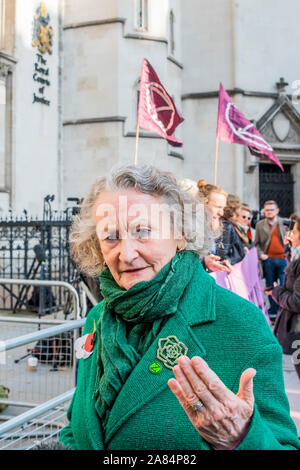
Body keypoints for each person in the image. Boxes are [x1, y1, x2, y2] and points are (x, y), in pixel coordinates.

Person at [59, 165, 300, 450]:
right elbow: (76, 428)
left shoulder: (240, 322)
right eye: (111, 236)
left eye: (143, 231)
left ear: (181, 234)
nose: (126, 253)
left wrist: (240, 438)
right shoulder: (98, 318)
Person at [266, 216, 300, 381]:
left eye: (293, 231)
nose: (289, 234)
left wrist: (276, 291)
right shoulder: (295, 255)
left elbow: (296, 301)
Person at [255, 200, 287, 321]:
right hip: (268, 260)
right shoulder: (260, 225)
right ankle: (273, 311)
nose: (269, 212)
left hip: (283, 259)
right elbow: (256, 244)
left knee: (284, 286)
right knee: (270, 285)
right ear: (264, 211)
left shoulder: (283, 222)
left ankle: (283, 310)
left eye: (272, 209)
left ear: (277, 211)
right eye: (267, 210)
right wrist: (261, 254)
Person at [197, 179, 231, 273]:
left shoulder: (217, 226)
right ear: (203, 204)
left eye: (223, 208)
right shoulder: (189, 228)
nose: (221, 213)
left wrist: (224, 262)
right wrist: (204, 262)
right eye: (218, 207)